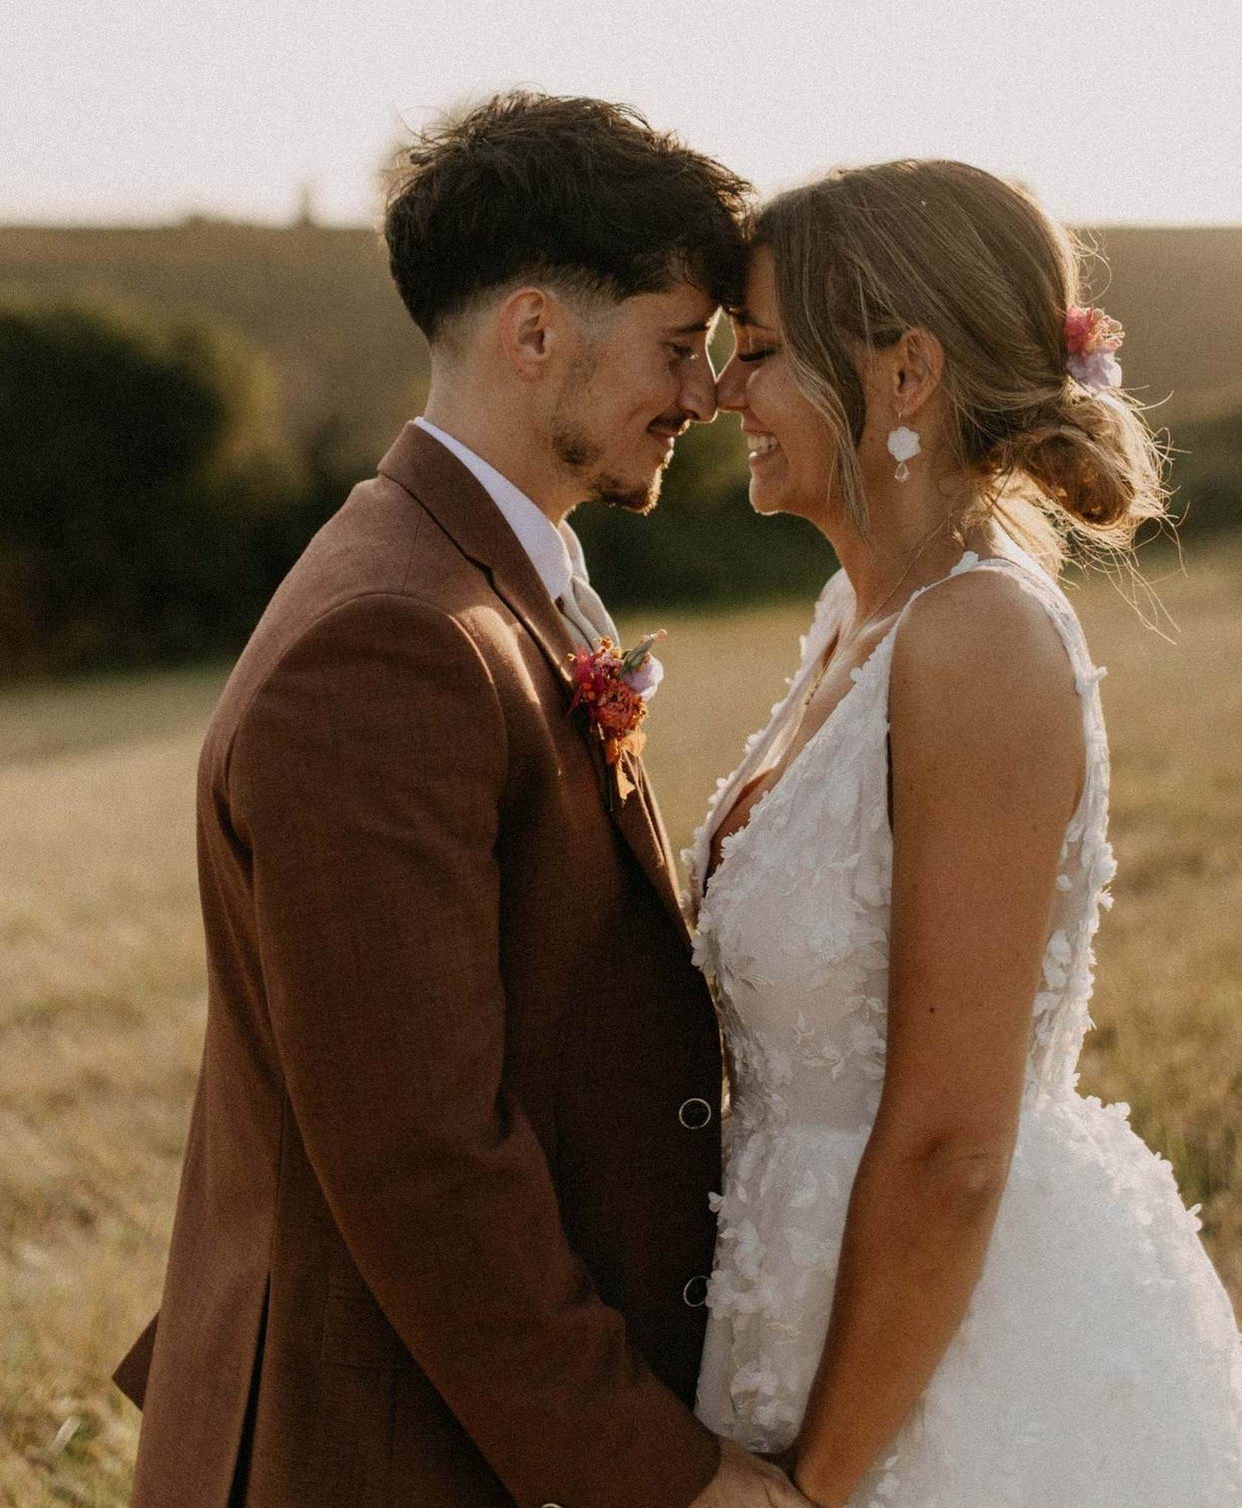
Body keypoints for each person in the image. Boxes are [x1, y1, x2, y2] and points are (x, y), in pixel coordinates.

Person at [112, 92, 808, 1508]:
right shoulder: (390, 642)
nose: (704, 393)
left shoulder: (468, 571)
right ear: (536, 332)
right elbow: (420, 1155)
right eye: (679, 346)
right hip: (369, 1451)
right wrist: (658, 1475)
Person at [688, 159, 1242, 1506]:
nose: (724, 391)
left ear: (902, 375)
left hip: (940, 1375)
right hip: (788, 1308)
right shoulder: (858, 621)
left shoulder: (978, 641)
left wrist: (814, 1483)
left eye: (763, 352)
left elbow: (954, 1140)